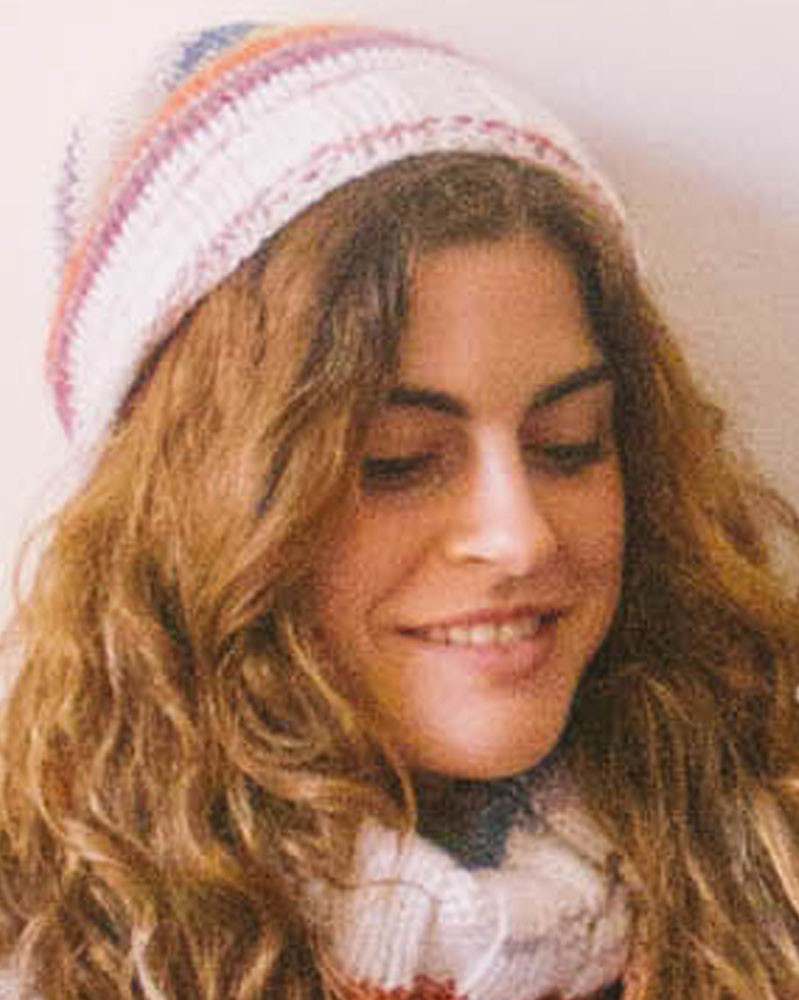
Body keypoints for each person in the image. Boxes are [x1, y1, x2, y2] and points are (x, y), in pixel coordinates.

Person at [0, 20, 797, 1000]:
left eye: (568, 444)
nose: (517, 536)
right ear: (199, 512)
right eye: (398, 462)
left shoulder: (764, 874)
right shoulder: (47, 952)